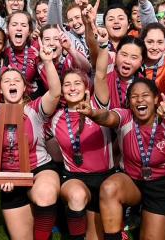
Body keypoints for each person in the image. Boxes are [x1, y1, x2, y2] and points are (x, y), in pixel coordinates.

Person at [76, 78, 165, 240]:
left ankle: (162, 226)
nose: (140, 99)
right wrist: (92, 113)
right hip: (130, 181)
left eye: (145, 95)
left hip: (159, 187)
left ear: (156, 99)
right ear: (129, 102)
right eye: (134, 96)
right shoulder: (125, 117)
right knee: (109, 188)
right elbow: (108, 116)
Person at [0, 46, 61, 240]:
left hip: (39, 170)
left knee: (45, 195)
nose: (12, 83)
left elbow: (54, 93)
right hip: (9, 179)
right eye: (7, 81)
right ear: (0, 88)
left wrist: (47, 62)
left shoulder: (35, 109)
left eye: (17, 80)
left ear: (24, 86)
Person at [48, 70, 115, 240]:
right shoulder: (55, 119)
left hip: (104, 179)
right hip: (75, 178)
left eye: (77, 83)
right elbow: (52, 152)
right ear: (62, 91)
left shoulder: (99, 107)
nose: (72, 88)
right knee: (76, 196)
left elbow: (100, 71)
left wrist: (102, 45)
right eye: (67, 84)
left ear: (86, 88)